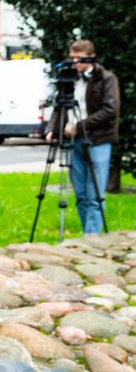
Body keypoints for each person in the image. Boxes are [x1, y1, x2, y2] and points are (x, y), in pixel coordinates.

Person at [46, 38, 121, 235]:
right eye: (72, 58)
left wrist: (79, 127)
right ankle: (87, 234)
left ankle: (92, 237)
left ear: (91, 57)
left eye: (79, 59)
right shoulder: (69, 78)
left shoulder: (106, 78)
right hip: (74, 142)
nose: (75, 63)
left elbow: (110, 110)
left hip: (98, 140)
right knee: (80, 194)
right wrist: (52, 128)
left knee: (94, 194)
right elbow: (59, 106)